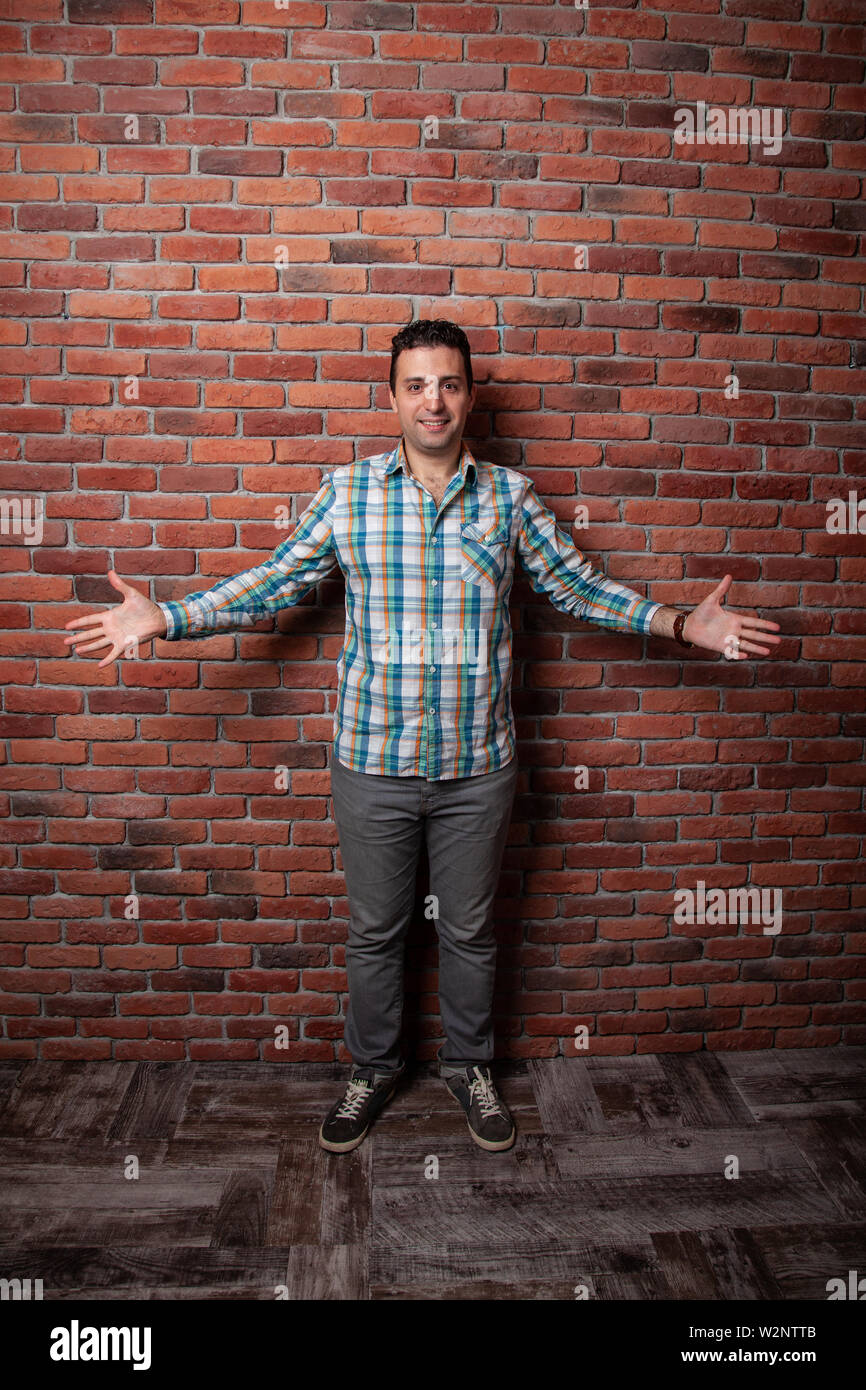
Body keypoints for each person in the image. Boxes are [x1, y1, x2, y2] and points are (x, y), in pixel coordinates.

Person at [63, 319, 782, 1155]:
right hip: (371, 763)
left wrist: (678, 624)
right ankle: (372, 1070)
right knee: (375, 930)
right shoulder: (348, 493)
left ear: (469, 395)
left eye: (447, 383)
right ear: (393, 397)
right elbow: (273, 585)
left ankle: (470, 1067)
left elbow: (580, 591)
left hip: (479, 766)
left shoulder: (511, 499)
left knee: (471, 930)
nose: (432, 400)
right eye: (415, 385)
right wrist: (172, 617)